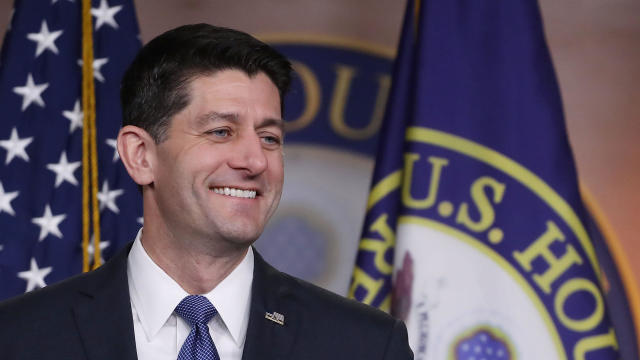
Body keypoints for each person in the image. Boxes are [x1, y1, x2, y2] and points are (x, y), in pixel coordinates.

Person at [0, 24, 412, 360]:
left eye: (269, 138)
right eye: (221, 132)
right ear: (141, 155)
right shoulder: (18, 338)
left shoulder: (366, 346)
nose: (255, 161)